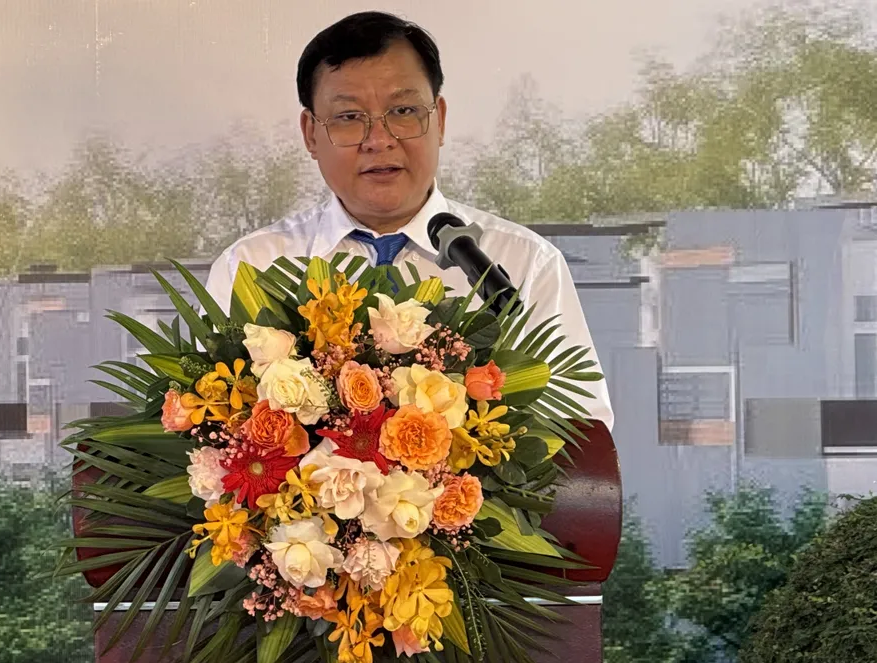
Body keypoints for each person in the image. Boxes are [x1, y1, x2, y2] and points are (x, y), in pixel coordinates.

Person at [205, 11, 613, 430]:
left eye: (403, 110)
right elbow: (202, 426)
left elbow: (581, 435)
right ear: (311, 133)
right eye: (349, 117)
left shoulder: (523, 264)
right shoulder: (251, 268)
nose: (379, 140)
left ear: (440, 119)